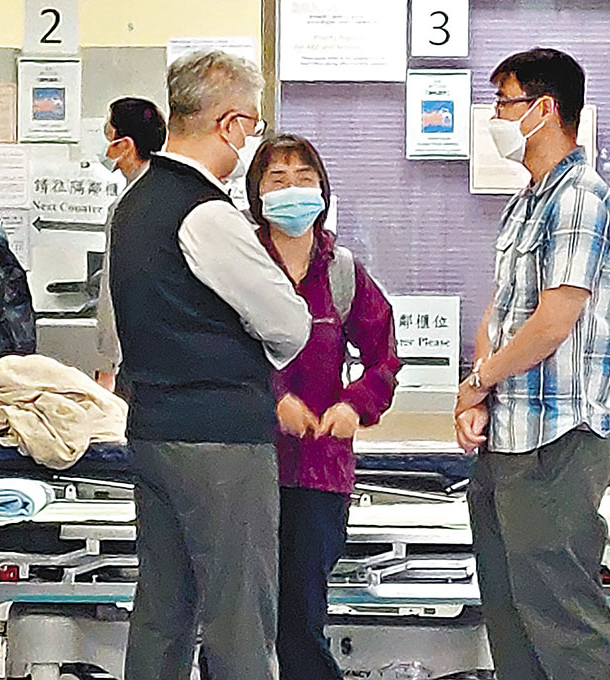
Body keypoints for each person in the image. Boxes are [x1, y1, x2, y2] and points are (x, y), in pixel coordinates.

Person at [109, 51, 311, 680]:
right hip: (221, 440)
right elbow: (290, 324)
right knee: (239, 620)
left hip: (152, 430)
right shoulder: (206, 213)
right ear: (229, 124)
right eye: (250, 126)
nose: (249, 141)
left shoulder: (133, 205)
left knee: (162, 613)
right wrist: (250, 338)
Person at [453, 48, 610, 680]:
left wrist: (480, 379)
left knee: (562, 617)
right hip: (508, 436)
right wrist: (477, 394)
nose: (495, 117)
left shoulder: (580, 197)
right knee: (509, 613)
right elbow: (501, 311)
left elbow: (553, 322)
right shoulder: (526, 200)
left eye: (505, 103)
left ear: (545, 109)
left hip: (558, 439)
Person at [245, 134, 400, 680]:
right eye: (277, 178)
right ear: (257, 192)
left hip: (320, 472)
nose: (292, 189)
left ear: (323, 190)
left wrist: (355, 405)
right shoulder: (238, 264)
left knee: (302, 618)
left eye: (304, 177)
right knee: (239, 620)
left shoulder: (342, 271)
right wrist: (272, 400)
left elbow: (384, 357)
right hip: (245, 465)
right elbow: (212, 352)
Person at [94, 97, 167, 392]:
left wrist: (111, 358)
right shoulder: (149, 191)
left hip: (140, 356)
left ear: (125, 145)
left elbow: (122, 283)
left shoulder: (137, 203)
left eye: (108, 133)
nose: (104, 143)